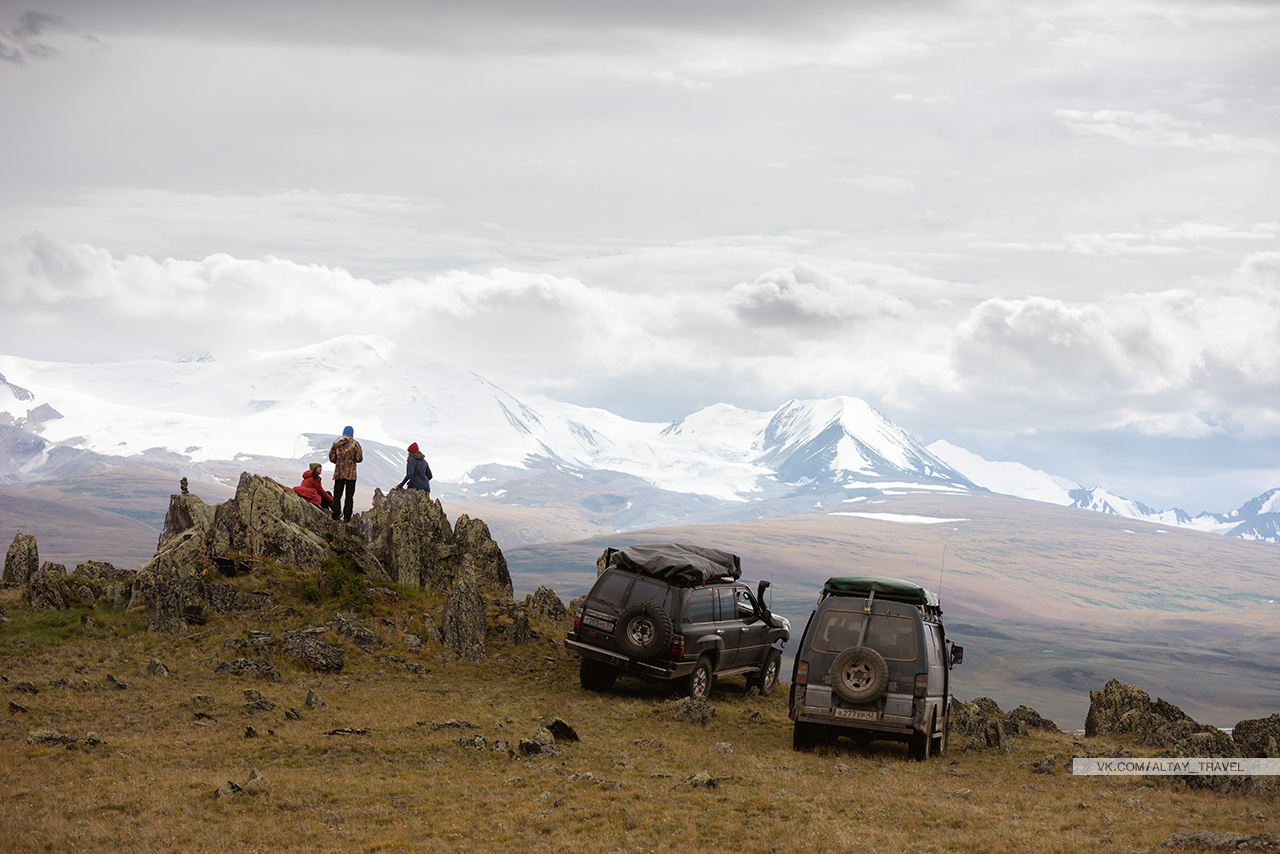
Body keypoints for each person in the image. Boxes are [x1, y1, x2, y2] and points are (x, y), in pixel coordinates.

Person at [328, 425, 363, 522]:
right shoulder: (355, 444)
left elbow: (332, 458)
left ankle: (335, 514)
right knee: (349, 496)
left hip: (339, 473)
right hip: (351, 474)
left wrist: (339, 462)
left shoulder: (336, 444)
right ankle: (347, 517)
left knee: (337, 495)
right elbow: (359, 458)